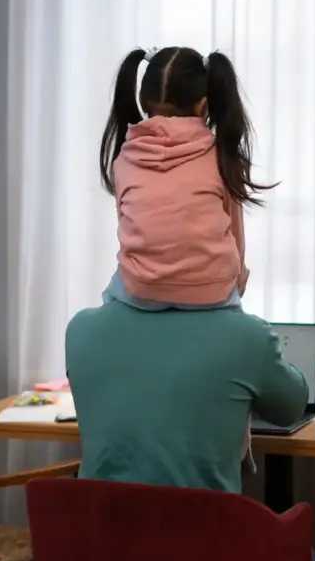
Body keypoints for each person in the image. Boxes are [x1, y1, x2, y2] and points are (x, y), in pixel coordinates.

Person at [98, 46, 275, 472]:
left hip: (137, 293)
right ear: (203, 104)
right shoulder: (222, 156)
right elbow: (236, 250)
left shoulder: (125, 158)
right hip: (211, 295)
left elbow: (131, 232)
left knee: (114, 288)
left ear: (143, 101)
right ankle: (237, 449)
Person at [65, 302, 315, 561]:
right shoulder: (247, 334)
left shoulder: (81, 328)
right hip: (204, 558)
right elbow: (290, 407)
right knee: (303, 559)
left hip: (101, 556)